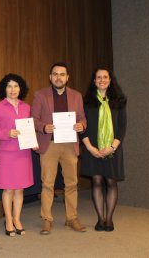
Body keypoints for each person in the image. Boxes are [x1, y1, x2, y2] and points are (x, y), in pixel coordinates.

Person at [31, 62, 87, 235]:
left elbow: (83, 118)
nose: (58, 77)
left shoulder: (77, 96)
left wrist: (81, 126)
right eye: (55, 74)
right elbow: (33, 118)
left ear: (67, 77)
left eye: (62, 74)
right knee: (47, 184)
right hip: (50, 144)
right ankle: (47, 219)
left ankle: (72, 218)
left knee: (72, 183)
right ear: (50, 77)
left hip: (70, 144)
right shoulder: (40, 95)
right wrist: (43, 127)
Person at [80, 67, 127, 232]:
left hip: (112, 148)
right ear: (94, 81)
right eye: (98, 77)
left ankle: (109, 219)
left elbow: (122, 127)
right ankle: (101, 219)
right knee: (97, 181)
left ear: (110, 79)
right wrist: (90, 148)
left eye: (105, 77)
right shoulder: (86, 102)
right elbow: (82, 127)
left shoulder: (118, 101)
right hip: (92, 149)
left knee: (111, 182)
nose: (102, 80)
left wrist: (112, 147)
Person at [0, 74, 34, 237]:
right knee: (8, 189)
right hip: (7, 153)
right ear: (4, 89)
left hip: (23, 152)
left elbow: (29, 129)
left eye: (16, 86)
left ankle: (17, 219)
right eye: (9, 86)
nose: (13, 89)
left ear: (21, 88)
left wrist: (33, 141)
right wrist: (8, 133)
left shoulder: (26, 107)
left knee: (20, 190)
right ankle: (8, 220)